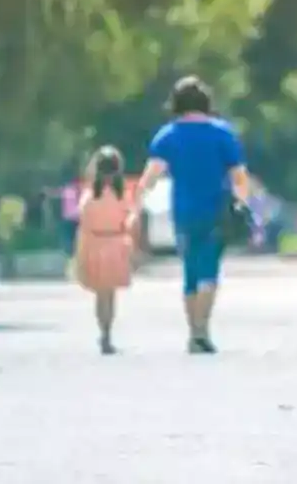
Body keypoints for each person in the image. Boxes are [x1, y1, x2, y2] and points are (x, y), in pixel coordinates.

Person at [132, 76, 251, 354]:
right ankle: (202, 330)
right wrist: (241, 204)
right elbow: (239, 177)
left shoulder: (168, 136)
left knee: (190, 271)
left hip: (184, 211)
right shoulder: (223, 133)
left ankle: (193, 331)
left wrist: (136, 206)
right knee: (209, 271)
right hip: (216, 211)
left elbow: (150, 177)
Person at [74, 146, 134, 355]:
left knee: (101, 294)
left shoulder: (89, 196)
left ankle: (104, 332)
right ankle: (107, 331)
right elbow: (129, 221)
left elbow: (83, 225)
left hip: (96, 243)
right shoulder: (122, 196)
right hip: (116, 244)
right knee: (110, 294)